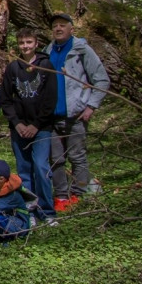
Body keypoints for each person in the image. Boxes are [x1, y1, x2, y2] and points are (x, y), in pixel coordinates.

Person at [45, 13, 110, 212]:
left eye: (62, 25)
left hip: (76, 114)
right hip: (52, 116)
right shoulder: (47, 52)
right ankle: (62, 196)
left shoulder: (81, 50)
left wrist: (91, 106)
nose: (58, 28)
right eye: (55, 25)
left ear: (71, 29)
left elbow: (102, 79)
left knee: (77, 157)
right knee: (56, 159)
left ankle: (79, 194)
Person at [2, 28, 58, 221]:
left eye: (29, 42)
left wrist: (36, 124)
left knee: (41, 167)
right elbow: (6, 99)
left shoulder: (46, 65)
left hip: (41, 127)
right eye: (22, 43)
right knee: (24, 169)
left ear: (36, 44)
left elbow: (51, 99)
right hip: (19, 128)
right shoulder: (13, 68)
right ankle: (30, 211)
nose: (25, 46)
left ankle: (47, 211)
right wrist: (16, 123)